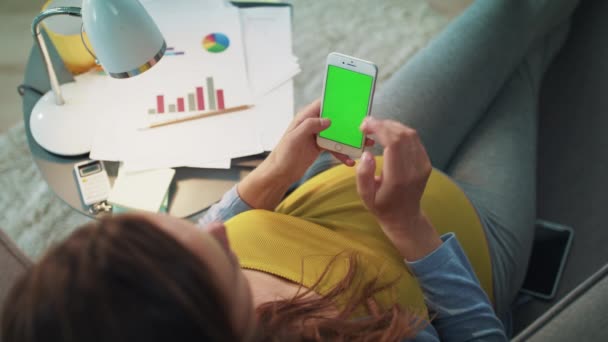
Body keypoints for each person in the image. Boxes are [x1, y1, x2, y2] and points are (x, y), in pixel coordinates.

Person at [1, 0, 580, 341]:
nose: (219, 228)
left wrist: (270, 178)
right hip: (474, 235)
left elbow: (212, 230)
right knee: (529, 66)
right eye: (222, 261)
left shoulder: (151, 288)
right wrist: (408, 226)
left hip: (347, 177)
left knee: (506, 16)